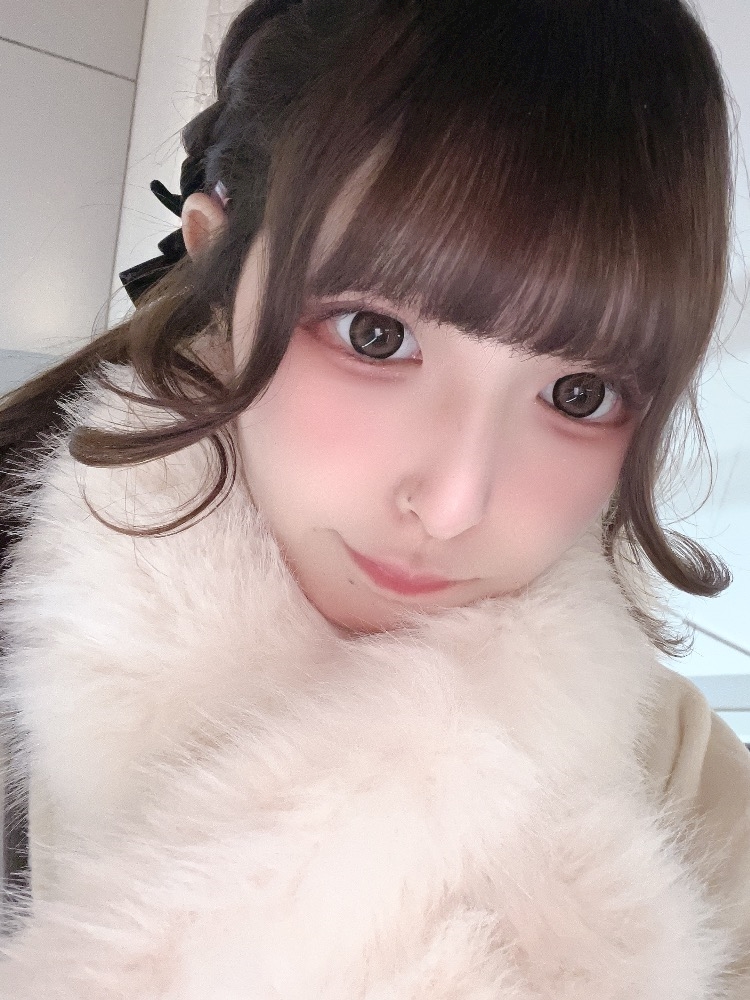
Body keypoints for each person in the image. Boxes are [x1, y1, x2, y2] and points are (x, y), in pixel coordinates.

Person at [0, 0, 748, 995]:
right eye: (376, 335)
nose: (454, 504)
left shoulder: (669, 767)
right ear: (220, 264)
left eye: (581, 393)